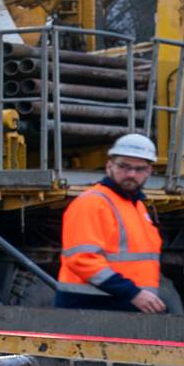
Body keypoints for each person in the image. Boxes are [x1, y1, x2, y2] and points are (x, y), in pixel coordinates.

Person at [56, 133, 169, 314]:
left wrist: (136, 295)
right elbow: (82, 259)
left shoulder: (136, 206)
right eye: (123, 166)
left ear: (149, 171)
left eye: (139, 169)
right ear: (109, 166)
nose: (131, 174)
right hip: (90, 309)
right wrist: (133, 293)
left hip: (119, 308)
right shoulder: (92, 203)